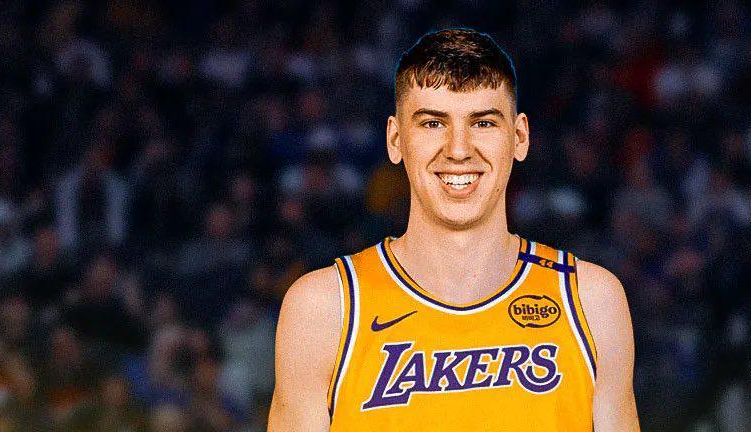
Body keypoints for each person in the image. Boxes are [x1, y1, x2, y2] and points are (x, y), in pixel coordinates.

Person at [269, 28, 639, 430]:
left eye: (483, 123)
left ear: (519, 137)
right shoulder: (325, 309)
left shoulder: (590, 301)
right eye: (432, 123)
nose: (459, 150)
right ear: (395, 140)